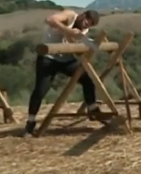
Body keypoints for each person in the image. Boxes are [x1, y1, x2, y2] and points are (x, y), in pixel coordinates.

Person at [23, 8, 101, 137]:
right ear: (82, 16)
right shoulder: (70, 16)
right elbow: (49, 20)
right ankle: (30, 122)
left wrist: (82, 44)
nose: (87, 25)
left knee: (87, 78)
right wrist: (68, 31)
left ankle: (92, 108)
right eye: (88, 21)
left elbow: (76, 46)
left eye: (91, 24)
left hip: (66, 59)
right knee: (40, 90)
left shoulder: (84, 30)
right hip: (48, 58)